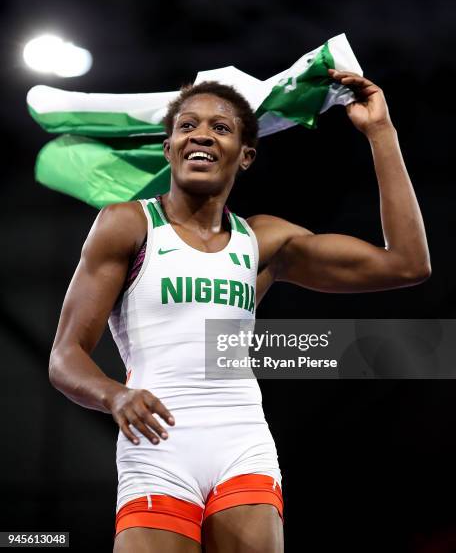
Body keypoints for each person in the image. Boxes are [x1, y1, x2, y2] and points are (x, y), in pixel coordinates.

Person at [48, 69, 431, 553]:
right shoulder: (128, 225)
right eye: (187, 126)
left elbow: (407, 264)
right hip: (158, 448)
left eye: (221, 127)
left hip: (241, 442)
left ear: (246, 156)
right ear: (169, 148)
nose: (201, 134)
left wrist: (381, 133)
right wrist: (114, 396)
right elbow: (65, 356)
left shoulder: (263, 241)